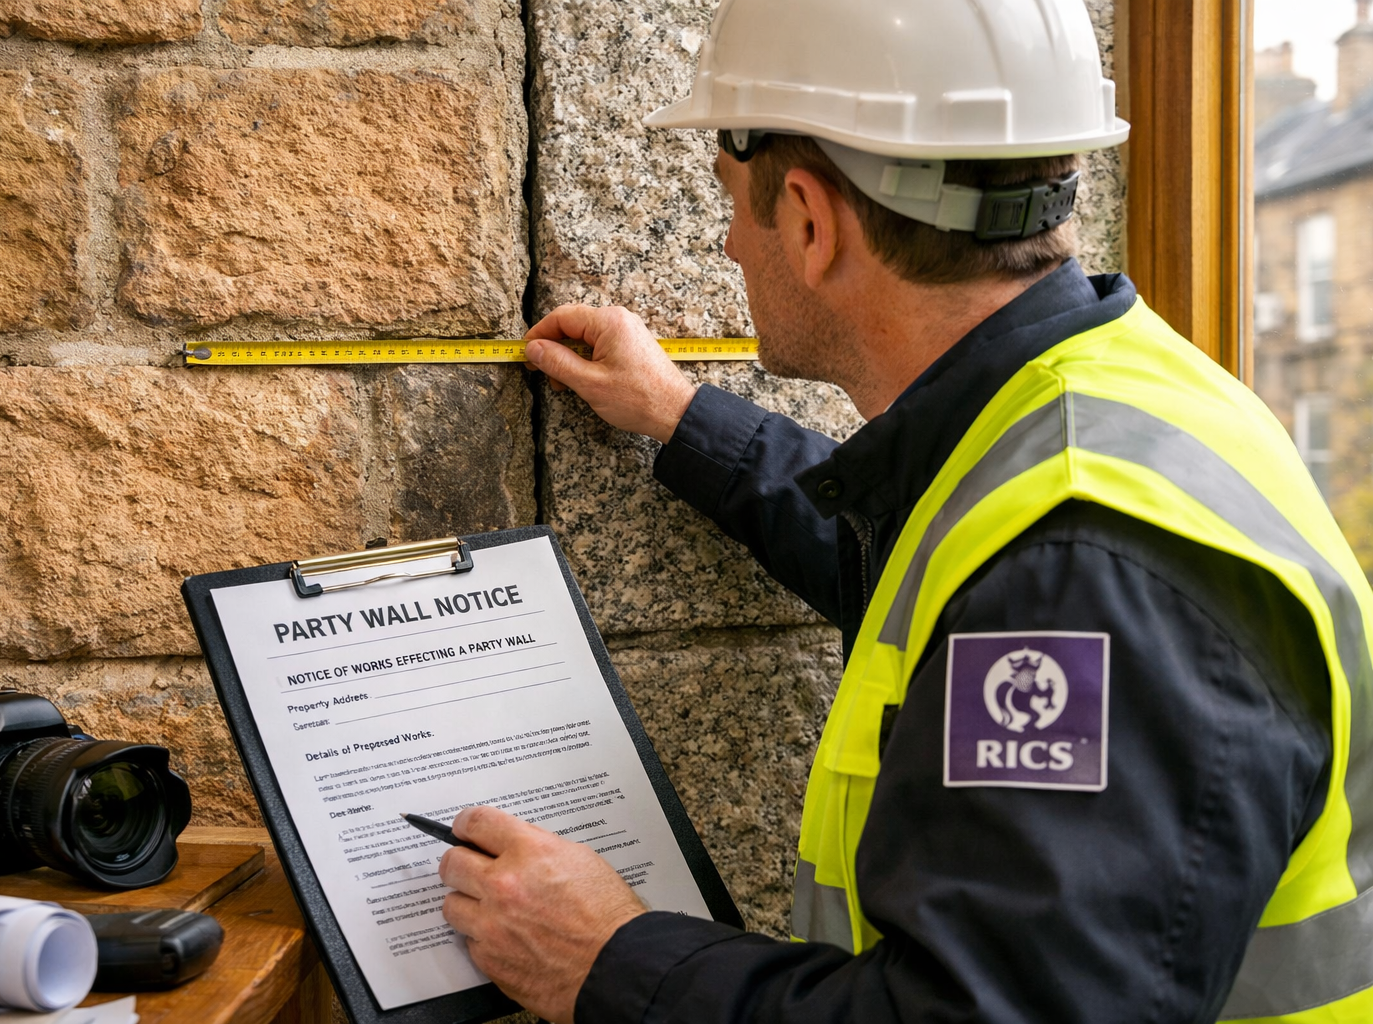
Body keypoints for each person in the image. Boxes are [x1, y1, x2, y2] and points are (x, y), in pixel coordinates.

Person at [436, 1, 1373, 1021]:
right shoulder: (1098, 407)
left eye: (731, 208)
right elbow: (913, 553)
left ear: (806, 217)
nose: (728, 246)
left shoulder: (1080, 567)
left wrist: (610, 960)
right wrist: (680, 417)